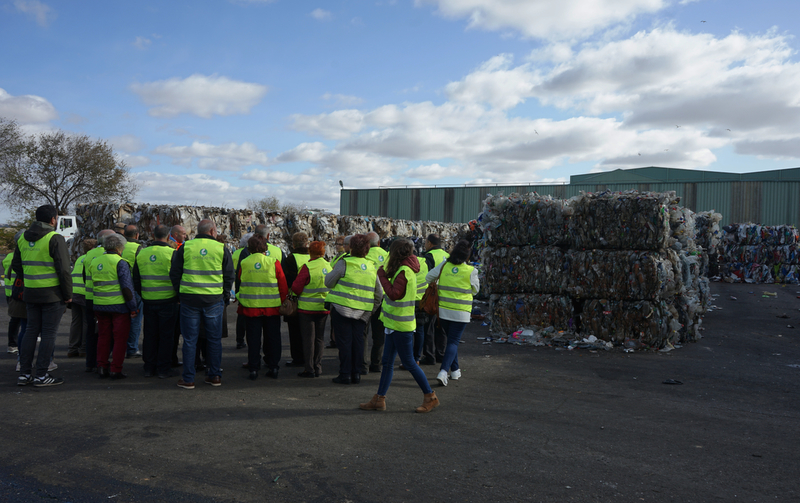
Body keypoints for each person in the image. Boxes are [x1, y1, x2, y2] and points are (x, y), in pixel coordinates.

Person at [359, 238, 439, 413]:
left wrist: (381, 277)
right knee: (387, 362)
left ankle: (430, 396)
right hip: (395, 323)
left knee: (409, 362)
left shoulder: (404, 270)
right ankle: (379, 399)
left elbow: (394, 294)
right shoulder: (405, 268)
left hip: (400, 325)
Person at [12, 204, 72, 387]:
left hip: (30, 292)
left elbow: (16, 265)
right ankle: (41, 375)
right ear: (53, 219)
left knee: (30, 331)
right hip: (52, 295)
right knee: (48, 334)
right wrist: (68, 294)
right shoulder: (54, 238)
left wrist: (30, 277)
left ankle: (24, 374)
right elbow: (63, 270)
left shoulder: (22, 237)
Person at [170, 219, 234, 389]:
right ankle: (214, 376)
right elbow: (229, 276)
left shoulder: (185, 247)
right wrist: (225, 297)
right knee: (214, 340)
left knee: (190, 340)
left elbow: (175, 273)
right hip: (213, 299)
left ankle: (188, 378)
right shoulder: (222, 248)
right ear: (213, 231)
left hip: (189, 299)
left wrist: (180, 293)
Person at [324, 234, 381, 385]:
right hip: (362, 312)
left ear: (351, 248)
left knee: (344, 343)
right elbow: (379, 293)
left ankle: (345, 374)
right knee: (359, 342)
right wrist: (371, 310)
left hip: (342, 309)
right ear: (367, 249)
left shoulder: (345, 263)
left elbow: (328, 282)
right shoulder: (371, 266)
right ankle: (356, 373)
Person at [426, 239, 478, 387]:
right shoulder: (471, 271)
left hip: (443, 312)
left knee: (451, 341)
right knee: (453, 342)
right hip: (461, 313)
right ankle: (443, 371)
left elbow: (428, 277)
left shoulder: (444, 265)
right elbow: (476, 290)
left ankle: (455, 370)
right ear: (467, 256)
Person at [236, 234, 287, 380]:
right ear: (265, 246)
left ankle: (253, 368)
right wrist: (284, 302)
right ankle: (273, 366)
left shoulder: (245, 262)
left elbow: (240, 281)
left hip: (251, 308)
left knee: (253, 339)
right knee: (273, 338)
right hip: (272, 308)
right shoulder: (273, 262)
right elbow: (282, 285)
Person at [133, 224, 178, 379]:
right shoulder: (172, 253)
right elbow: (177, 278)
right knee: (166, 336)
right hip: (168, 300)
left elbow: (136, 280)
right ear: (168, 237)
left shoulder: (142, 253)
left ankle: (149, 367)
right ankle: (163, 369)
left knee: (150, 335)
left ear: (153, 235)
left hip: (149, 301)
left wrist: (144, 294)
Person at [92, 233, 139, 380]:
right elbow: (126, 287)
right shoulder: (120, 262)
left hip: (99, 305)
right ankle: (116, 369)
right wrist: (133, 307)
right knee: (120, 339)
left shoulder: (95, 261)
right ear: (119, 248)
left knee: (103, 337)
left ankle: (101, 366)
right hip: (118, 307)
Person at [291, 241, 330, 378]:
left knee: (308, 339)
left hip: (307, 309)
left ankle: (309, 368)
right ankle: (318, 366)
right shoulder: (328, 266)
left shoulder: (307, 267)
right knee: (320, 338)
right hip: (323, 308)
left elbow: (296, 288)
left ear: (310, 252)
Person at [83, 229, 115, 373]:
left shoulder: (89, 254)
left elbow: (85, 276)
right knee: (108, 333)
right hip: (108, 299)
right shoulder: (110, 255)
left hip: (90, 298)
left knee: (92, 332)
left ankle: (90, 362)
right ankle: (103, 361)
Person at [420, 234, 450, 365]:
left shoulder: (429, 256)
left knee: (429, 326)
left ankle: (429, 355)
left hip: (433, 295)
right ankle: (441, 354)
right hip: (445, 294)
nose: (425, 245)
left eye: (426, 242)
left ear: (430, 243)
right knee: (441, 327)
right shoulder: (447, 256)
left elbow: (427, 276)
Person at [282, 232, 310, 368]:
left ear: (293, 244)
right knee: (310, 332)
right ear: (307, 243)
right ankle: (310, 357)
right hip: (311, 300)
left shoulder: (291, 259)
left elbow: (287, 280)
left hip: (295, 299)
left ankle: (298, 358)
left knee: (295, 332)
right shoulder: (313, 256)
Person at [363, 232, 388, 374]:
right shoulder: (387, 255)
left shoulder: (363, 256)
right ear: (379, 243)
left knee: (363, 333)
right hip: (384, 298)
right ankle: (376, 363)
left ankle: (363, 364)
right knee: (379, 334)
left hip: (366, 298)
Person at [67, 238, 96, 358]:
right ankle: (84, 348)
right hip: (85, 293)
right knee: (86, 322)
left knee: (75, 321)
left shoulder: (79, 259)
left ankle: (72, 348)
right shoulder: (93, 258)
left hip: (74, 292)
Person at [122, 224, 143, 358]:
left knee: (120, 320)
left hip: (118, 288)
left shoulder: (119, 246)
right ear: (137, 235)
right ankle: (132, 348)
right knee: (135, 320)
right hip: (133, 288)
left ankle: (118, 347)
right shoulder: (138, 248)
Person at [326, 235, 350, 349]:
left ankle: (335, 340)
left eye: (340, 244)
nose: (337, 246)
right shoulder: (337, 257)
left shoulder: (344, 258)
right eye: (336, 244)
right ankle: (333, 340)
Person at [232, 232, 253, 349]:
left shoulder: (236, 253)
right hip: (257, 290)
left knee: (241, 316)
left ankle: (239, 339)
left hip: (240, 287)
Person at [3, 231, 22, 355]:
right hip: (19, 291)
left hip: (9, 292)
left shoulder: (8, 257)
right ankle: (14, 343)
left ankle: (12, 344)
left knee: (14, 319)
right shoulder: (22, 255)